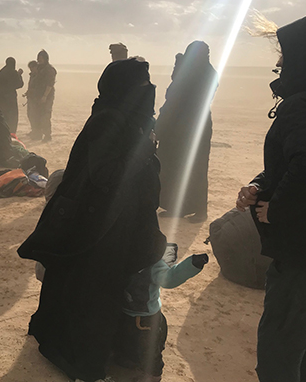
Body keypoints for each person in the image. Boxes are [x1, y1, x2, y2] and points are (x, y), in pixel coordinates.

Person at [17, 58, 167, 382]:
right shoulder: (107, 120)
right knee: (93, 297)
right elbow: (105, 176)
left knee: (97, 294)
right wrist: (144, 149)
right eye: (142, 85)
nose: (149, 91)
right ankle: (87, 368)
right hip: (96, 231)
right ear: (125, 89)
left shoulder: (127, 117)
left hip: (113, 225)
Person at [236, 12, 306, 382]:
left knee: (280, 347)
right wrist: (259, 185)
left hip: (302, 252)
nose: (278, 62)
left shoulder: (302, 105)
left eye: (285, 53)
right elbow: (291, 164)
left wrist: (276, 209)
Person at [115, 247, 208, 382]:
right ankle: (132, 359)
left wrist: (192, 264)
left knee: (149, 347)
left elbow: (169, 279)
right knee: (128, 339)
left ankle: (153, 375)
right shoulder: (124, 253)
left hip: (144, 316)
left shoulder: (152, 263)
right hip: (126, 310)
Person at [155, 41, 217, 223]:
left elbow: (176, 97)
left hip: (187, 126)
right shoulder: (208, 72)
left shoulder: (200, 74)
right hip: (191, 125)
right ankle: (180, 208)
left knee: (191, 168)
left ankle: (197, 210)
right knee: (181, 167)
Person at [0, 57, 24, 134]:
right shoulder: (13, 72)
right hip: (9, 101)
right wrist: (19, 75)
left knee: (1, 117)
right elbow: (19, 84)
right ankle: (11, 134)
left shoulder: (2, 71)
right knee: (11, 118)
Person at [26, 50, 57, 142]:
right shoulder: (39, 68)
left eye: (41, 58)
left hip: (46, 97)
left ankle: (47, 135)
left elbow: (50, 84)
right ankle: (37, 134)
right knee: (36, 115)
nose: (39, 60)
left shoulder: (50, 70)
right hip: (36, 96)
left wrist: (44, 96)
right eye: (38, 58)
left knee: (45, 115)